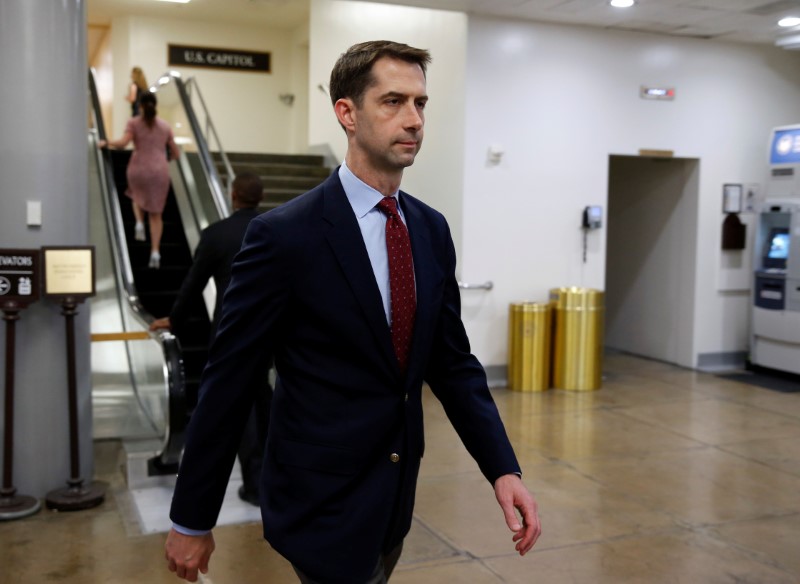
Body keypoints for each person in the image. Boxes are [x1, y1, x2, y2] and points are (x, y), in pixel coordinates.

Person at [164, 40, 541, 583]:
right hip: (320, 501)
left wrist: (502, 468)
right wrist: (192, 518)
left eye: (421, 103)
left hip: (394, 497)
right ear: (347, 112)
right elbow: (230, 381)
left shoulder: (430, 230)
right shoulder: (284, 236)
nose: (413, 120)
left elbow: (453, 364)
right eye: (393, 101)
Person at [149, 172, 271, 506]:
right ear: (259, 197)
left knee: (241, 407)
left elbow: (193, 283)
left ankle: (255, 485)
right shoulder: (279, 227)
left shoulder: (216, 235)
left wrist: (173, 319)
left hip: (231, 333)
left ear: (233, 196)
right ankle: (275, 478)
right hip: (273, 332)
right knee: (265, 400)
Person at [99, 91, 181, 269]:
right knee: (156, 213)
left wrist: (107, 142)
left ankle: (138, 223)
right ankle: (155, 252)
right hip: (160, 170)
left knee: (136, 195)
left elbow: (123, 143)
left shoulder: (134, 123)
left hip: (139, 167)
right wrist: (163, 161)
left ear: (140, 106)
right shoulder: (165, 126)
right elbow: (176, 153)